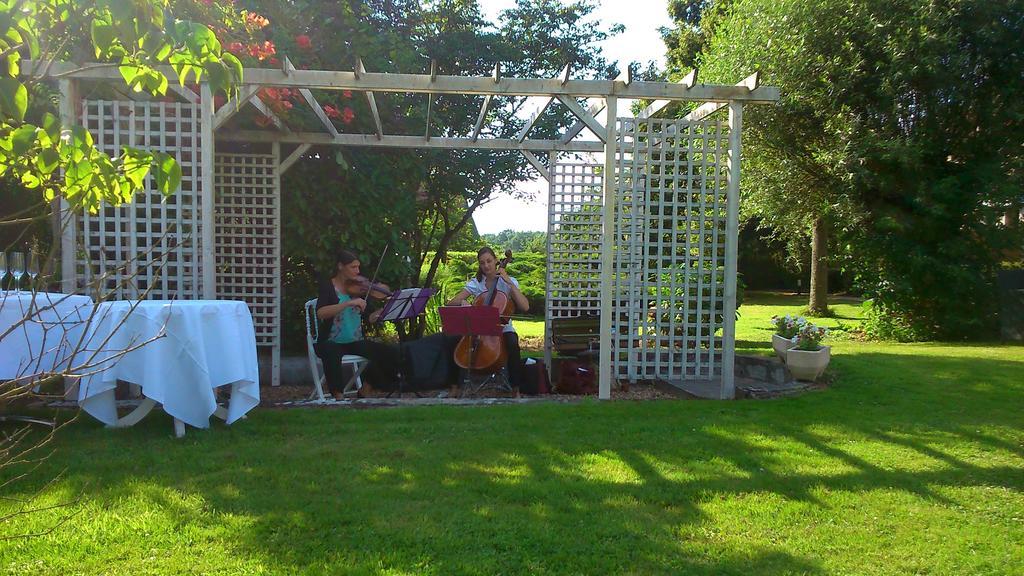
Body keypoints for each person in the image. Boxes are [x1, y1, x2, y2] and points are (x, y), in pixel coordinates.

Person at [315, 250, 400, 399]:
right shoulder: (328, 286)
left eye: (358, 267)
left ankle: (367, 387)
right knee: (331, 351)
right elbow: (321, 312)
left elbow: (370, 318)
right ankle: (338, 394)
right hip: (330, 340)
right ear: (341, 266)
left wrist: (382, 312)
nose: (358, 271)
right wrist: (348, 303)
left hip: (354, 341)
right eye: (353, 267)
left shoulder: (358, 289)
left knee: (389, 352)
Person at [447, 246, 530, 395]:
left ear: (496, 261)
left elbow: (525, 306)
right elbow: (451, 302)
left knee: (512, 341)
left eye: (489, 261)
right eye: (482, 263)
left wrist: (509, 282)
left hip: (502, 329)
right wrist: (463, 303)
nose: (486, 266)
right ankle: (454, 387)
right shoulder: (477, 282)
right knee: (453, 340)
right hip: (478, 329)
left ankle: (516, 388)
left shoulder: (507, 282)